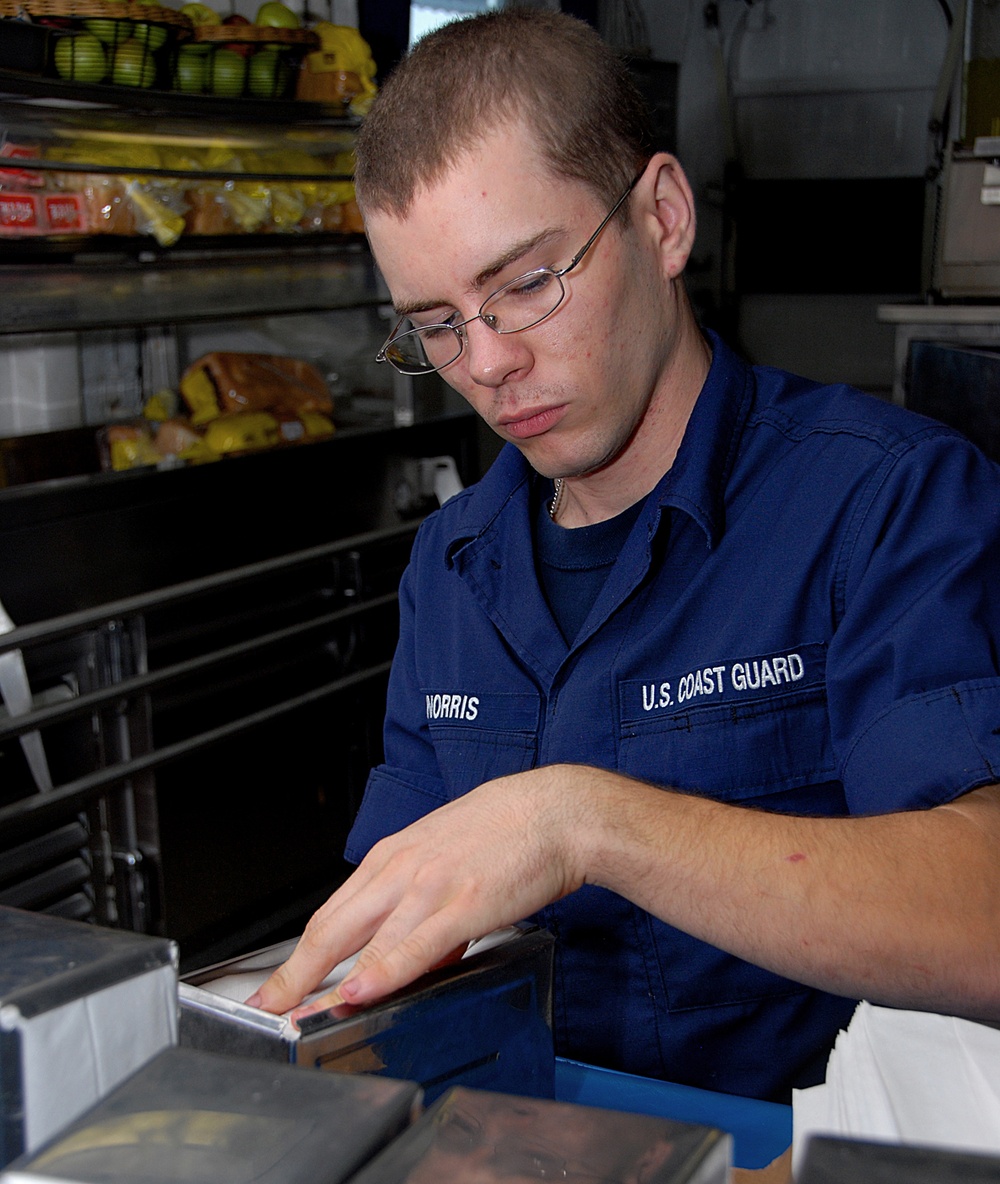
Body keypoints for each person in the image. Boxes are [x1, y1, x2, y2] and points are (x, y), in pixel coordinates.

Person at [250, 10, 1000, 1101]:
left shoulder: (887, 502)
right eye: (436, 323)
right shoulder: (451, 568)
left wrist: (582, 823)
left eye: (524, 284)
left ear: (660, 219)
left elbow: (982, 913)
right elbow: (399, 912)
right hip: (509, 1174)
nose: (489, 364)